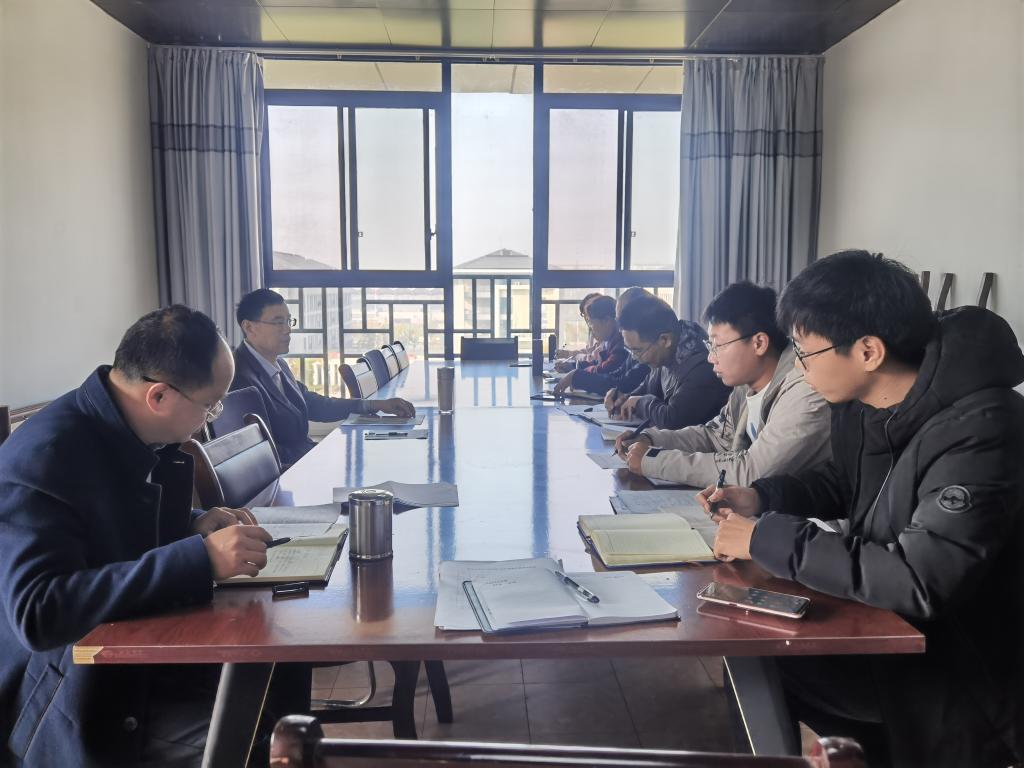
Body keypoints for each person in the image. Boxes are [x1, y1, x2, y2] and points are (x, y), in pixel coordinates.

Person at [700, 251, 1024, 767]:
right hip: (888, 626)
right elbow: (844, 481)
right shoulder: (865, 406)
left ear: (868, 351)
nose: (800, 369)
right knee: (751, 647)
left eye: (805, 353)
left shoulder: (984, 430)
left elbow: (919, 579)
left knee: (763, 657)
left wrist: (763, 538)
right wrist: (762, 497)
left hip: (957, 671)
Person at [0, 306, 303, 767]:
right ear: (159, 395)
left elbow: (108, 534)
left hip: (131, 658)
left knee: (280, 675)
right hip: (69, 695)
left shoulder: (125, 427)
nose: (211, 418)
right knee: (257, 741)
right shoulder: (46, 457)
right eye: (211, 404)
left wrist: (192, 523)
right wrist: (200, 559)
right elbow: (39, 611)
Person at [616, 282, 830, 486]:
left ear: (759, 343)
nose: (711, 357)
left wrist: (653, 460)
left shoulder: (804, 389)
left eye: (718, 346)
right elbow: (715, 437)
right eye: (710, 346)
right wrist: (650, 439)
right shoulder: (746, 385)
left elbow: (752, 470)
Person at [232, 289, 414, 465]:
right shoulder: (239, 378)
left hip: (304, 460)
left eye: (288, 321)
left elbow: (314, 404)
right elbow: (261, 452)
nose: (287, 329)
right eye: (278, 322)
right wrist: (321, 455)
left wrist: (374, 405)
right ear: (249, 327)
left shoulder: (279, 364)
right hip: (289, 473)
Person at [606, 296, 730, 429]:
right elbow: (648, 387)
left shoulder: (702, 366)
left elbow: (672, 420)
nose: (635, 358)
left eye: (638, 350)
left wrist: (639, 402)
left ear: (664, 340)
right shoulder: (666, 353)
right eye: (630, 350)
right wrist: (623, 398)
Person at [555, 288, 649, 396]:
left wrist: (577, 377)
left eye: (622, 321)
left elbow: (621, 384)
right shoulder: (631, 347)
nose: (619, 328)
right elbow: (617, 375)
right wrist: (575, 371)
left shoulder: (627, 346)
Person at [552, 292, 602, 372]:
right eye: (585, 314)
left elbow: (591, 359)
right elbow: (589, 351)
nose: (587, 319)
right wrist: (568, 355)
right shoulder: (593, 330)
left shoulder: (605, 333)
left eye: (589, 314)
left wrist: (570, 356)